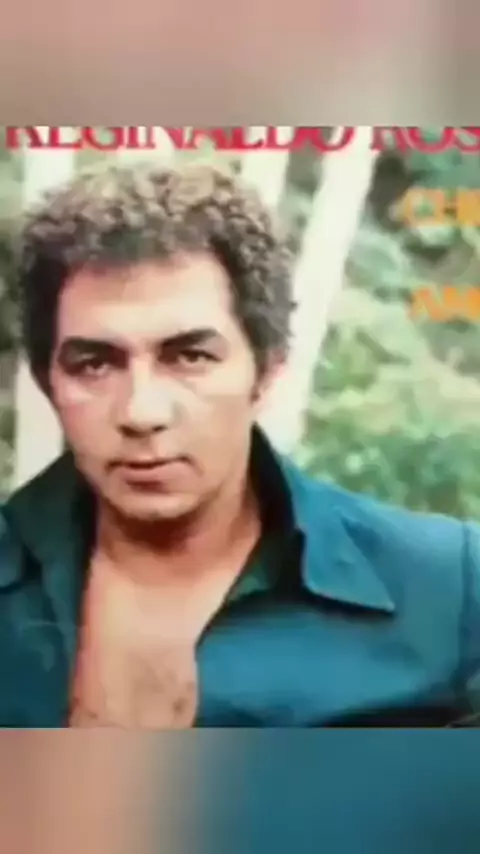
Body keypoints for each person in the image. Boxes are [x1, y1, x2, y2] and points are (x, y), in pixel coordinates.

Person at [0, 160, 479, 728]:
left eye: (190, 356)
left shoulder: (447, 586)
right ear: (48, 383)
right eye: (95, 364)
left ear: (267, 371)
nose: (141, 412)